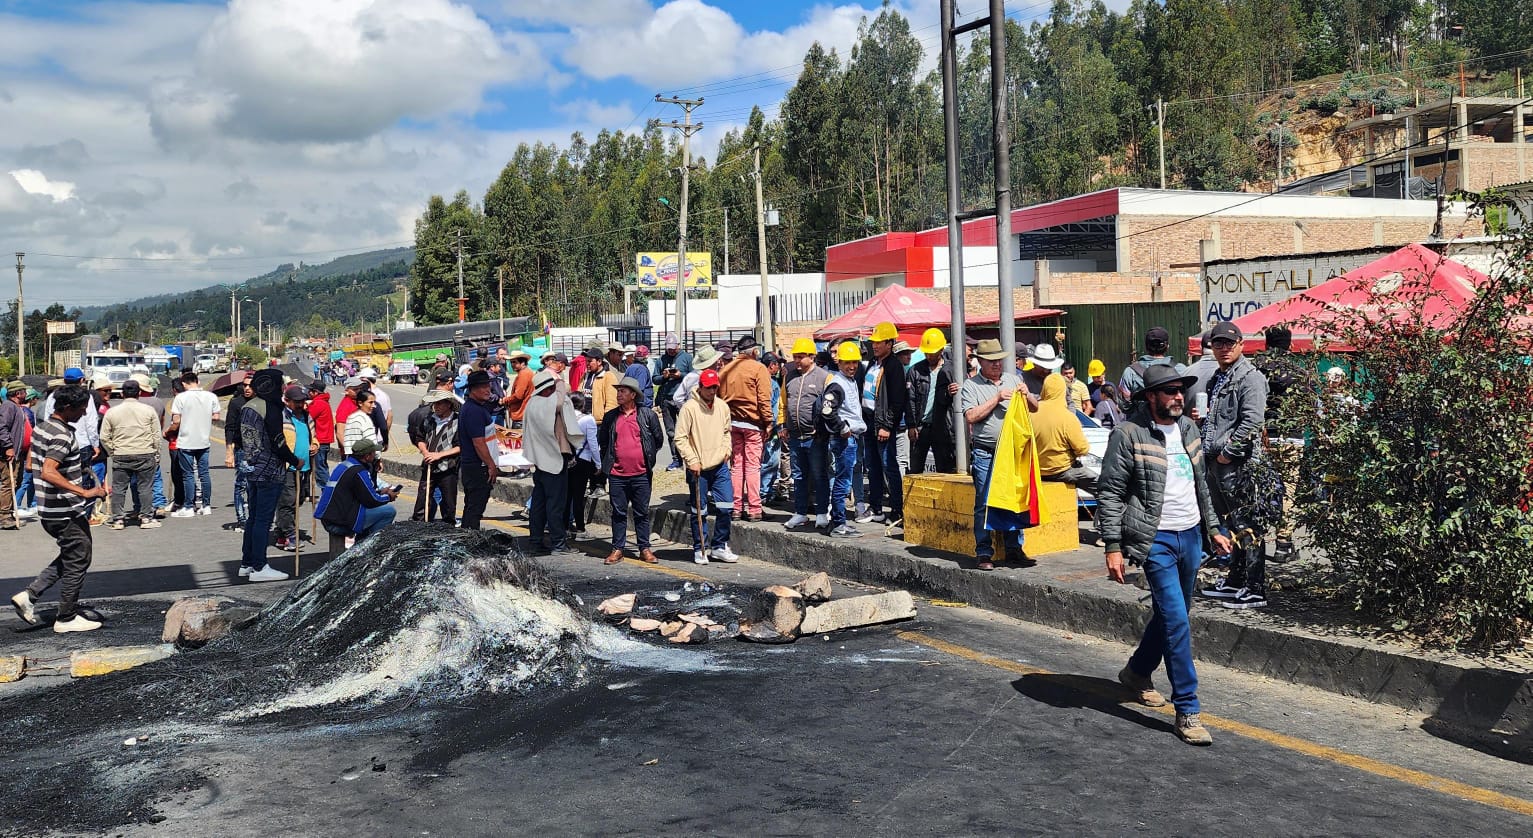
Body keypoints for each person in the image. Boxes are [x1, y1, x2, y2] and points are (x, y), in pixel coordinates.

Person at [1098, 364, 1233, 747]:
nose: (1179, 396)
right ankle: (1187, 709)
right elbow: (1110, 492)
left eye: (1181, 390)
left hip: (1190, 536)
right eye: (1170, 391)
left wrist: (1214, 528)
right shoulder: (1128, 434)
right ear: (1150, 396)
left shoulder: (1189, 429)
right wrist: (1113, 547)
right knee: (1176, 619)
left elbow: (1200, 484)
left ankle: (1138, 672)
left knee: (1172, 615)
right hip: (1154, 538)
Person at [11, 385, 109, 632]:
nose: (84, 414)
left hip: (47, 507)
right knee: (79, 558)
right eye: (81, 409)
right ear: (67, 408)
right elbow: (48, 471)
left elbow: (35, 465)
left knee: (72, 554)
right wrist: (85, 491)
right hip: (64, 510)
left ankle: (30, 596)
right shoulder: (63, 435)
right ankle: (65, 618)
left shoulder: (42, 428)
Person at [1195, 320, 1272, 610]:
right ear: (1211, 347)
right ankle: (1236, 581)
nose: (1224, 348)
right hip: (1217, 461)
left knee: (1247, 524)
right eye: (1218, 343)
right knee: (1231, 523)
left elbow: (1253, 420)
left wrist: (1228, 452)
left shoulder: (1249, 377)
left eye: (1229, 343)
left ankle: (1255, 587)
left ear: (1241, 344)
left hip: (1238, 463)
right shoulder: (1219, 377)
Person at [960, 339, 1027, 571]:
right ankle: (984, 552)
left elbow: (1034, 407)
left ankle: (1013, 549)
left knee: (1012, 500)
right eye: (992, 361)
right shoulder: (971, 386)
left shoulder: (1014, 379)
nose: (997, 364)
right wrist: (997, 398)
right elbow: (971, 416)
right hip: (985, 452)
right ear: (980, 362)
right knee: (984, 502)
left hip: (1010, 452)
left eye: (999, 359)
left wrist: (1028, 395)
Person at [1254, 325, 1311, 563]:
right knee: (1287, 488)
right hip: (1291, 436)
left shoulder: (1256, 368)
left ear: (1267, 343)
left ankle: (1257, 538)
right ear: (1289, 344)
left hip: (1264, 434)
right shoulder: (1299, 371)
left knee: (1261, 486)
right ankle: (1284, 543)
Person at [238, 369, 298, 582]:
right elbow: (278, 441)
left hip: (252, 468)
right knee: (263, 521)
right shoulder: (270, 407)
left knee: (253, 518)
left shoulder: (248, 406)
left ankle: (247, 562)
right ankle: (259, 566)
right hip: (270, 470)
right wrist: (294, 460)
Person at [598, 376, 664, 564]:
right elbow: (604, 442)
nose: (619, 394)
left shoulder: (646, 415)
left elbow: (657, 440)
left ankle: (644, 548)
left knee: (641, 512)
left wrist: (647, 457)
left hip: (641, 474)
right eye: (618, 391)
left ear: (633, 395)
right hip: (617, 475)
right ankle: (617, 548)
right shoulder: (611, 416)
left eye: (623, 391)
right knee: (618, 513)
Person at [675, 367, 736, 564]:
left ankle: (719, 546)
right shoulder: (689, 408)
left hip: (720, 466)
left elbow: (727, 432)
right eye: (708, 388)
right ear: (700, 387)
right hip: (698, 468)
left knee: (726, 507)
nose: (712, 391)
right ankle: (700, 547)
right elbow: (681, 438)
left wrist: (727, 450)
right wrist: (691, 460)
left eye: (715, 388)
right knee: (699, 511)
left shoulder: (722, 406)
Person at [523, 370, 583, 556]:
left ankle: (536, 541)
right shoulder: (550, 402)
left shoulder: (531, 404)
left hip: (539, 461)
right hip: (554, 461)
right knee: (556, 505)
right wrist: (558, 382)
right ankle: (558, 543)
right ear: (547, 388)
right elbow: (561, 396)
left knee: (539, 505)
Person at [718, 336, 773, 522]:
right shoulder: (759, 369)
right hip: (753, 424)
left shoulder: (726, 370)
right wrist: (769, 422)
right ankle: (755, 508)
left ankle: (736, 508)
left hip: (732, 424)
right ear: (755, 351)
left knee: (736, 466)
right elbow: (764, 400)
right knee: (752, 466)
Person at [780, 338, 832, 530]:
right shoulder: (789, 377)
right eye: (795, 357)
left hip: (815, 437)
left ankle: (821, 513)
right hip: (794, 436)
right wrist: (782, 425)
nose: (797, 361)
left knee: (819, 475)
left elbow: (831, 407)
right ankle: (800, 512)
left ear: (812, 357)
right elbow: (783, 404)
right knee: (799, 476)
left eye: (801, 357)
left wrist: (823, 429)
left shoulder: (825, 378)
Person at [99, 380, 163, 530]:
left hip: (121, 453)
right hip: (145, 452)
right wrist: (156, 454)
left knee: (119, 488)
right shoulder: (148, 410)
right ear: (139, 393)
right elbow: (156, 435)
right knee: (145, 487)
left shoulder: (112, 412)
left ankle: (118, 520)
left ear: (122, 394)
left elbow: (104, 436)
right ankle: (146, 518)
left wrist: (112, 451)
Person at [864, 322, 908, 528]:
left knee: (889, 467)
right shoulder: (874, 363)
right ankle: (876, 507)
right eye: (874, 342)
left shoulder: (893, 366)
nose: (875, 345)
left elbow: (898, 400)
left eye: (879, 342)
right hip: (869, 422)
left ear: (889, 343)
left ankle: (897, 509)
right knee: (872, 467)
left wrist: (887, 426)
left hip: (882, 424)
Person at [821, 341, 867, 538]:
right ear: (839, 363)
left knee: (843, 480)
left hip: (850, 437)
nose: (852, 366)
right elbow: (827, 410)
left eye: (855, 362)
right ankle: (839, 523)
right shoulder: (838, 383)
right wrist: (843, 428)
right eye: (847, 363)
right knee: (842, 481)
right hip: (844, 440)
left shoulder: (849, 381)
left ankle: (838, 522)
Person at [315, 437, 399, 542]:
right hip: (338, 522)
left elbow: (363, 493)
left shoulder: (345, 465)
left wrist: (380, 492)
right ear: (367, 456)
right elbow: (372, 500)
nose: (375, 455)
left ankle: (362, 543)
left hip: (330, 518)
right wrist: (388, 497)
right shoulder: (359, 471)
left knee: (371, 511)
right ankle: (370, 547)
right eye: (373, 453)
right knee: (389, 511)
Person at [167, 370, 220, 516]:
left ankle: (189, 507)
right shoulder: (211, 396)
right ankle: (206, 505)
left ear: (183, 383)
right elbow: (216, 416)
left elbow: (176, 420)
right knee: (204, 473)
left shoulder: (181, 398)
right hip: (203, 440)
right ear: (198, 381)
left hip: (186, 441)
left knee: (188, 474)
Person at [1033, 375, 1097, 495]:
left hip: (1036, 471)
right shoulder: (1068, 417)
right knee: (1102, 488)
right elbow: (1083, 449)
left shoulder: (1031, 412)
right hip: (1063, 470)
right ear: (1063, 391)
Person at [273, 385, 318, 553]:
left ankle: (280, 533)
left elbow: (313, 436)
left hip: (305, 467)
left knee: (299, 500)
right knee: (288, 502)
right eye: (297, 402)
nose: (300, 404)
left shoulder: (307, 416)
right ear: (287, 401)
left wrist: (315, 445)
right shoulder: (281, 418)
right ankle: (291, 536)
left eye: (302, 401)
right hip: (288, 467)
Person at [906, 328, 958, 474]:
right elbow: (910, 399)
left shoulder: (951, 369)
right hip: (921, 427)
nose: (929, 355)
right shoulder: (915, 370)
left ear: (941, 350)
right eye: (926, 352)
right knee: (916, 469)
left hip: (942, 427)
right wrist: (911, 425)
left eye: (932, 352)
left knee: (944, 468)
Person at [409, 390, 460, 525]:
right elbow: (419, 438)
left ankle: (447, 527)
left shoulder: (457, 421)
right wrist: (425, 452)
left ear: (449, 404)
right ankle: (420, 526)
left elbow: (460, 446)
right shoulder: (429, 419)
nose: (436, 407)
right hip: (429, 465)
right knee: (423, 500)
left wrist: (439, 455)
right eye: (434, 404)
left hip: (448, 467)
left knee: (448, 502)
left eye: (439, 403)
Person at [457, 370, 500, 530]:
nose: (488, 390)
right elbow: (478, 442)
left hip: (476, 465)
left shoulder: (477, 407)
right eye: (483, 387)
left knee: (474, 506)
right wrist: (490, 465)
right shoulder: (473, 410)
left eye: (488, 386)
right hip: (477, 466)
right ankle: (469, 538)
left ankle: (468, 535)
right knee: (475, 507)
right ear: (472, 389)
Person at [1118, 326, 1188, 400]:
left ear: (1146, 346)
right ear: (1167, 346)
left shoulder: (1130, 372)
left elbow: (1124, 403)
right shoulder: (1181, 369)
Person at [566, 392, 600, 539]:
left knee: (566, 495)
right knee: (578, 496)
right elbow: (593, 444)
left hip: (566, 459)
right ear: (582, 404)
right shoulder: (588, 420)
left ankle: (564, 526)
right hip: (583, 460)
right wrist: (598, 464)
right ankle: (580, 528)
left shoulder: (564, 417)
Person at [656, 335, 692, 470]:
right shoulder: (661, 359)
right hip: (667, 399)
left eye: (673, 348)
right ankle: (676, 459)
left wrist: (680, 375)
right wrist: (664, 377)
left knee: (687, 430)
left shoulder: (687, 358)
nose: (670, 351)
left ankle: (689, 457)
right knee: (671, 432)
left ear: (678, 345)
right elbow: (655, 379)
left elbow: (694, 375)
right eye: (668, 349)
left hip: (684, 400)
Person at [224, 377, 255, 529]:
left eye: (250, 385)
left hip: (259, 452)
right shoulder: (236, 403)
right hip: (242, 450)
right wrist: (229, 452)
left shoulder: (262, 403)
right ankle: (242, 519)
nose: (247, 388)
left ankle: (254, 517)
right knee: (242, 485)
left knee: (255, 486)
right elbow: (229, 428)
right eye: (245, 385)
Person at [0, 379, 27, 529]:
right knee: (8, 483)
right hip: (8, 453)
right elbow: (1, 428)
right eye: (24, 391)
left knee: (15, 482)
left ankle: (8, 512)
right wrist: (8, 446)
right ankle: (3, 516)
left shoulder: (16, 407)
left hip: (17, 453)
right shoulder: (8, 407)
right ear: (18, 393)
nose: (26, 394)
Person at [759, 352, 785, 502]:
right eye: (778, 364)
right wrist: (774, 426)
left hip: (764, 427)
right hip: (770, 428)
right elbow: (771, 408)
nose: (779, 367)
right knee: (771, 460)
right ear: (772, 365)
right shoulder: (771, 384)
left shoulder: (760, 381)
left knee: (767, 460)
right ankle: (764, 492)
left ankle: (765, 491)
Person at [306, 380, 336, 488]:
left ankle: (328, 493)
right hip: (323, 439)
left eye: (310, 391)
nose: (308, 393)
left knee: (320, 470)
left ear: (315, 392)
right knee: (321, 467)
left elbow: (307, 417)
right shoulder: (322, 402)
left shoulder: (318, 403)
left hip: (320, 440)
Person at [343, 389, 382, 456]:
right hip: (364, 457)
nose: (373, 405)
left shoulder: (351, 417)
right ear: (360, 403)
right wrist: (377, 457)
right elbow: (371, 441)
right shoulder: (364, 419)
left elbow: (347, 441)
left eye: (374, 402)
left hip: (351, 456)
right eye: (370, 402)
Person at [502, 350, 534, 425]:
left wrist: (505, 400)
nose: (512, 364)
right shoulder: (527, 372)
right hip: (525, 413)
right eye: (511, 362)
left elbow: (518, 396)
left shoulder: (523, 375)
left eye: (514, 362)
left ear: (522, 363)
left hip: (521, 415)